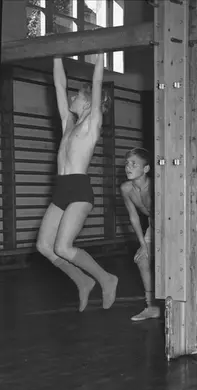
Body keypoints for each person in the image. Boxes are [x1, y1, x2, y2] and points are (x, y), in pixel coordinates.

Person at [36, 54, 118, 312]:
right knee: (44, 246)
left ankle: (106, 278)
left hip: (79, 190)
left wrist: (99, 56)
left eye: (78, 96)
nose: (72, 97)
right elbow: (59, 85)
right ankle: (83, 281)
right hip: (61, 189)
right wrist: (56, 56)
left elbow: (97, 83)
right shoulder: (68, 124)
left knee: (63, 246)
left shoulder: (92, 124)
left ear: (88, 102)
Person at [120, 148, 160, 321]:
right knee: (142, 259)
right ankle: (151, 307)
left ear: (146, 169)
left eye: (134, 164)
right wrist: (143, 245)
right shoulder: (126, 188)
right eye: (127, 164)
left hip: (170, 226)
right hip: (153, 226)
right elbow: (134, 217)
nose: (128, 167)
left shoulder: (156, 185)